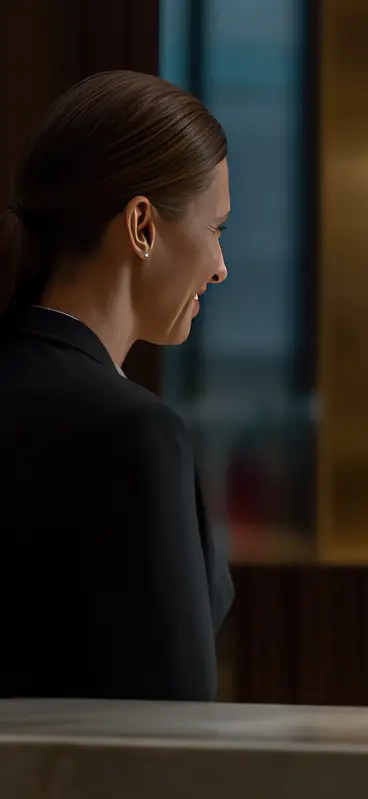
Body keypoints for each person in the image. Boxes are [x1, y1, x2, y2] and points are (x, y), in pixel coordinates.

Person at [0, 71, 234, 701]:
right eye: (215, 229)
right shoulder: (134, 434)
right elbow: (169, 729)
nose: (219, 266)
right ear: (141, 227)